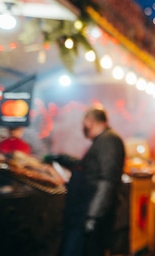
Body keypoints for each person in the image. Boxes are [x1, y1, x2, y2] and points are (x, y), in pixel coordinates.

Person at [58, 107, 125, 256]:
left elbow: (107, 181)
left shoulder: (109, 140)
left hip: (89, 215)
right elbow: (90, 168)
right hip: (85, 212)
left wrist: (93, 217)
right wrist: (67, 160)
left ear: (90, 121)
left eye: (84, 122)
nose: (83, 127)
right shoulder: (103, 140)